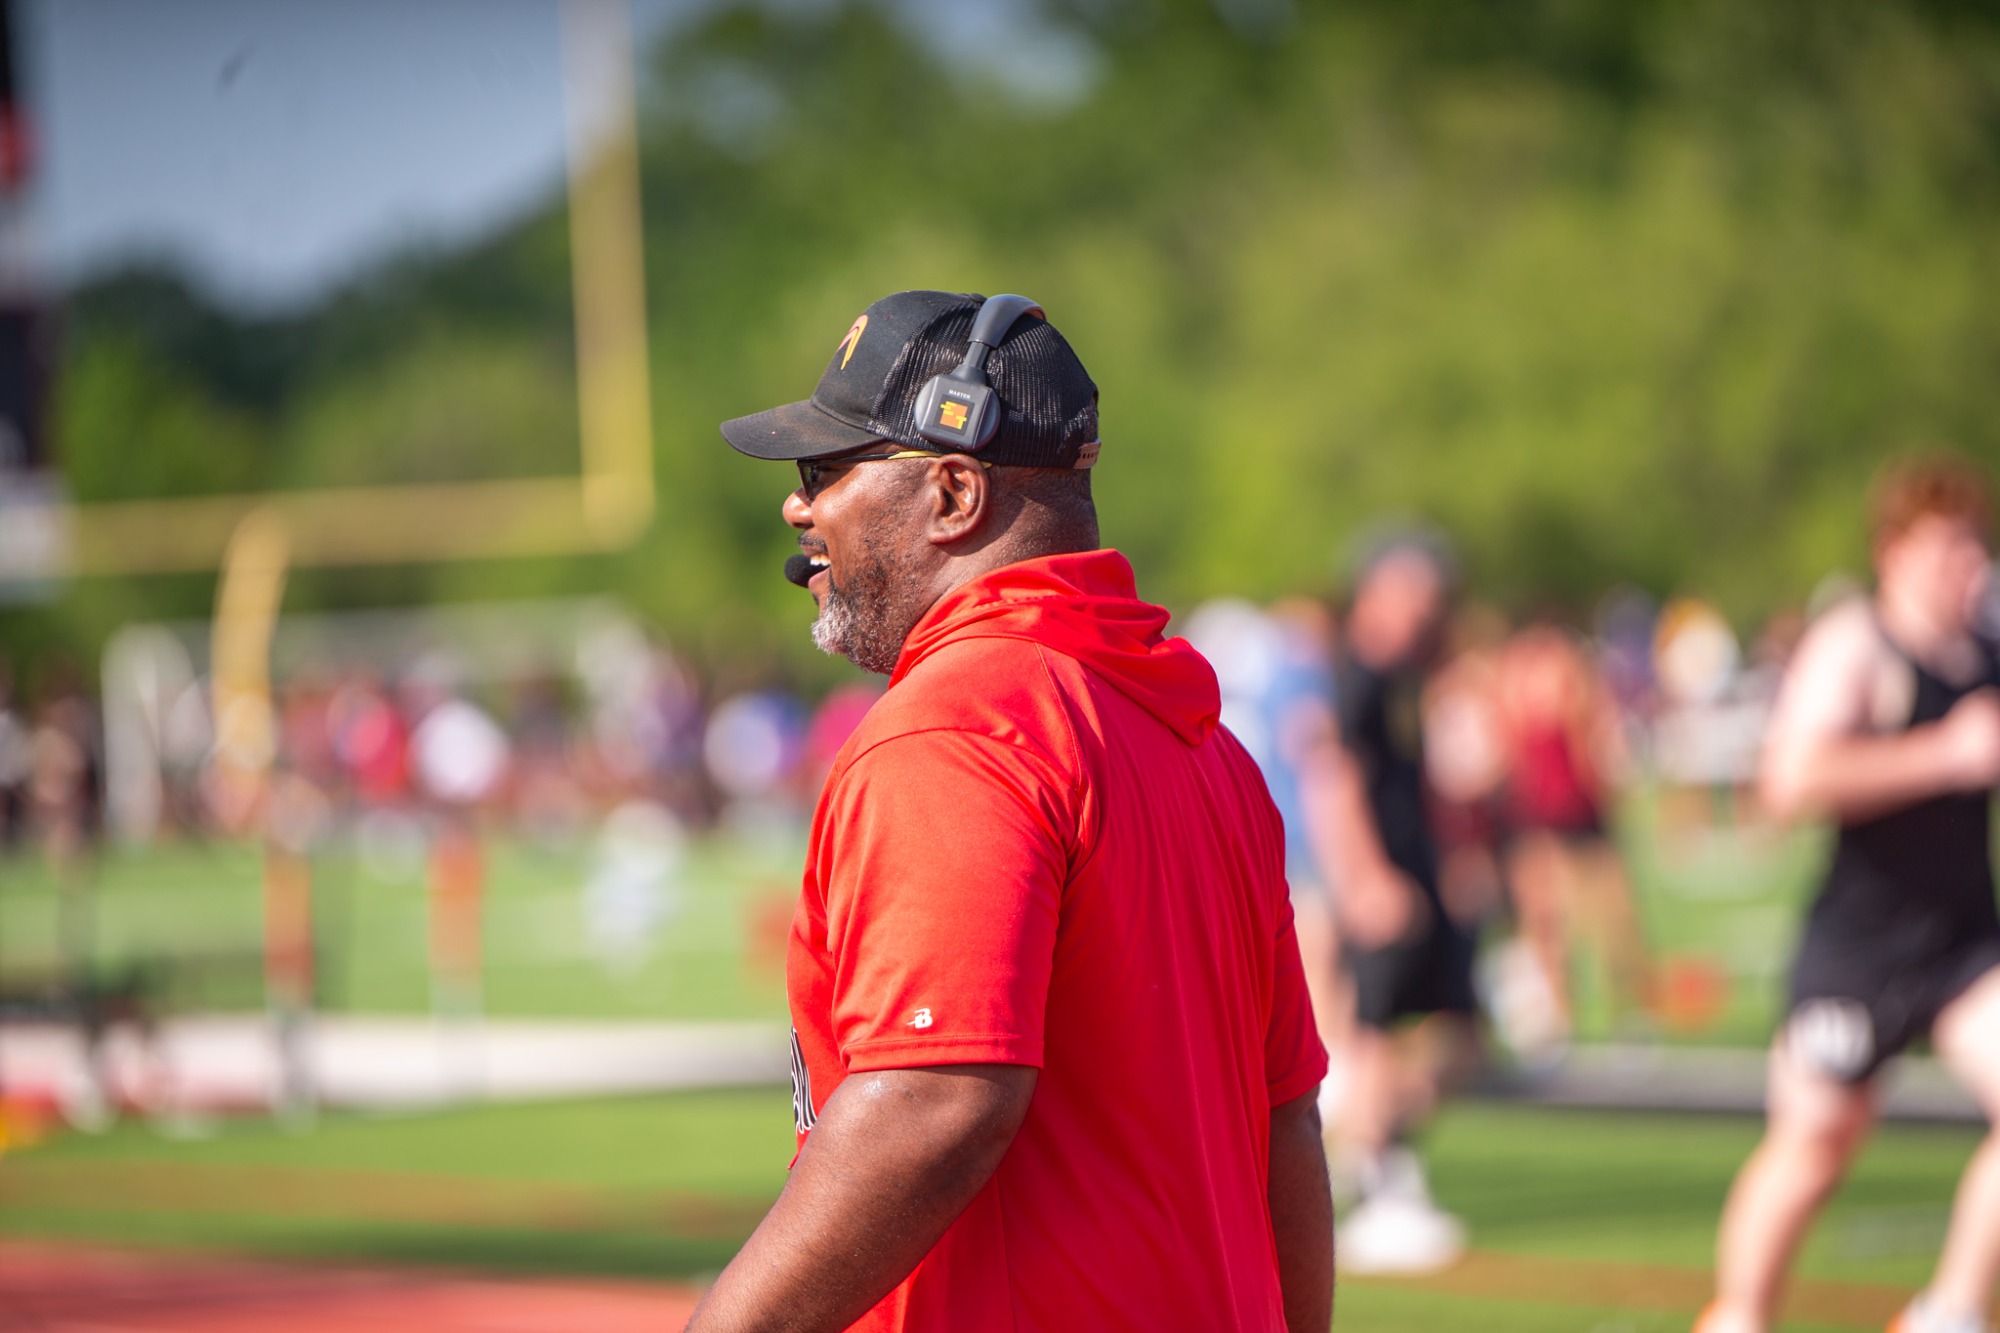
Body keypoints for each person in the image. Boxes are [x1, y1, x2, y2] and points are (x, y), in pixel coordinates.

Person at [688, 290, 1333, 1333]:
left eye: (824, 472)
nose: (797, 511)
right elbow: (1283, 1122)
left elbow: (937, 1095)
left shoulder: (953, 726)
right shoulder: (1198, 742)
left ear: (950, 492)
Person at [1698, 455, 2000, 1333]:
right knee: (1815, 1149)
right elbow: (1790, 779)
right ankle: (1739, 1315)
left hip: (1964, 941)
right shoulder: (1858, 645)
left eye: (1974, 548)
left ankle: (1950, 1309)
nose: (1965, 569)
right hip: (1860, 949)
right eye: (1946, 550)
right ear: (1894, 552)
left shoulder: (1983, 648)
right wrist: (1943, 753)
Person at [1322, 529, 1477, 1273]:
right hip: (1384, 885)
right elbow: (1335, 781)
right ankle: (1377, 1187)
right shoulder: (1358, 674)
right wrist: (1365, 878)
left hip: (1421, 879)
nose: (1429, 603)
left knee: (1467, 1035)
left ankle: (1365, 1141)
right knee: (1377, 1034)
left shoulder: (1408, 673)